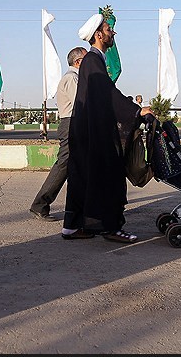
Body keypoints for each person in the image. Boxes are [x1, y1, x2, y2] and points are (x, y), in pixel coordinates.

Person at [61, 14, 154, 243]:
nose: (113, 33)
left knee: (83, 177)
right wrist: (136, 111)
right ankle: (110, 228)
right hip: (93, 133)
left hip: (85, 131)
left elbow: (104, 95)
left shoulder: (94, 60)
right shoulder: (93, 60)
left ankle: (72, 227)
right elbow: (108, 94)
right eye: (109, 29)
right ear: (99, 35)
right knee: (108, 176)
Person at [29, 47, 88, 222]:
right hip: (71, 124)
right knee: (63, 165)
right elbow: (82, 103)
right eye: (87, 59)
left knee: (79, 167)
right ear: (78, 62)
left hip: (75, 124)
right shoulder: (72, 78)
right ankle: (39, 205)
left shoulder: (76, 78)